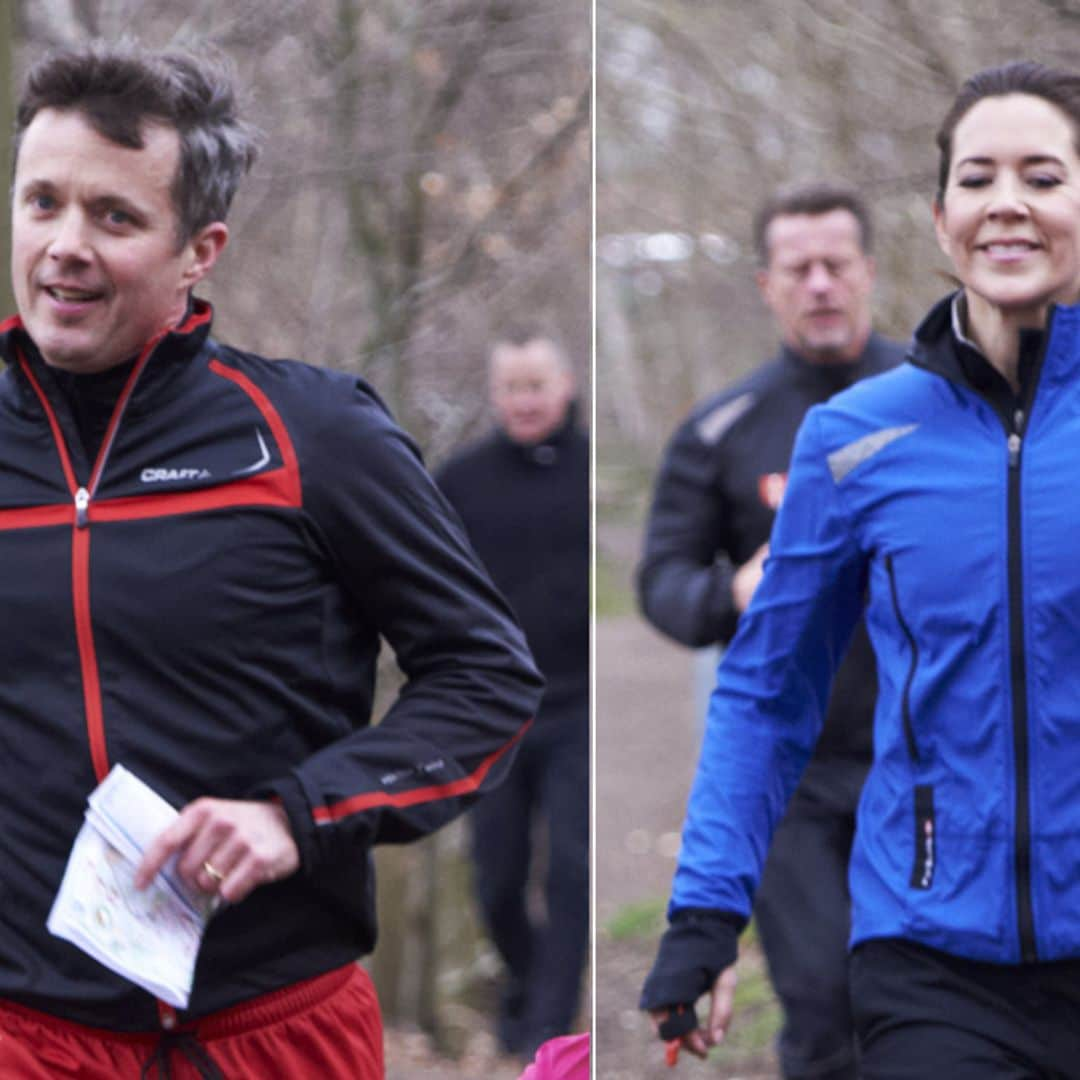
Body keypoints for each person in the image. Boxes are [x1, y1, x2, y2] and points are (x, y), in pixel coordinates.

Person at [0, 40, 544, 1079]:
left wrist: (301, 814)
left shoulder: (312, 435)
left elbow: (489, 681)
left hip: (269, 1032)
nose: (65, 245)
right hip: (25, 1038)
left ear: (200, 249)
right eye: (42, 203)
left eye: (114, 216)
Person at [640, 58, 1080, 1078]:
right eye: (976, 178)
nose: (1006, 203)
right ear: (939, 220)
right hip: (934, 959)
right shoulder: (854, 439)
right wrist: (705, 911)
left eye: (1043, 176)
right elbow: (764, 689)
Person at [637, 181, 903, 1080]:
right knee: (825, 1001)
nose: (821, 283)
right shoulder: (722, 429)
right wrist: (734, 591)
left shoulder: (939, 405)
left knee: (920, 1002)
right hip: (795, 773)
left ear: (870, 271)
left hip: (926, 762)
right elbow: (661, 583)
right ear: (767, 284)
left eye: (838, 265)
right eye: (801, 268)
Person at [436, 329, 589, 1059]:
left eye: (537, 386)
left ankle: (549, 1028)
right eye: (512, 388)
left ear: (565, 385)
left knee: (572, 867)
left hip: (581, 705)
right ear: (494, 395)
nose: (525, 401)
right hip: (494, 707)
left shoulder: (589, 472)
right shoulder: (459, 481)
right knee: (495, 878)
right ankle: (528, 983)